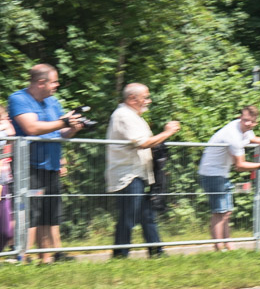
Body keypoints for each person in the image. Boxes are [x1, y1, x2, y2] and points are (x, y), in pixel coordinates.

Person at [8, 64, 85, 263]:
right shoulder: (19, 98)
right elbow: (31, 128)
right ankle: (21, 258)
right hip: (29, 166)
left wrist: (74, 128)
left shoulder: (53, 102)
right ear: (41, 82)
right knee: (30, 212)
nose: (57, 85)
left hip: (51, 166)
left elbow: (61, 133)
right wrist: (63, 122)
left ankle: (47, 258)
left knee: (50, 213)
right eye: (54, 81)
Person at [104, 83, 180, 259]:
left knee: (147, 215)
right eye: (145, 97)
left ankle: (156, 252)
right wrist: (167, 132)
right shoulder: (123, 115)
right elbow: (143, 143)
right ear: (132, 98)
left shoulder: (133, 116)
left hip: (138, 173)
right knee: (128, 217)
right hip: (128, 175)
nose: (149, 100)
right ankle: (120, 255)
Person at [197, 105, 260, 250]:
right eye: (244, 119)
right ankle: (218, 247)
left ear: (255, 123)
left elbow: (252, 138)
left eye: (249, 121)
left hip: (220, 173)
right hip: (212, 173)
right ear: (240, 118)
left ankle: (229, 245)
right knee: (219, 212)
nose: (246, 122)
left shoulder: (243, 129)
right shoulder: (233, 135)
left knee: (226, 212)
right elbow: (240, 166)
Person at [0, 106, 13, 253]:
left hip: (3, 181)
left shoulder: (5, 127)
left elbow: (12, 133)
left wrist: (5, 124)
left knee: (6, 232)